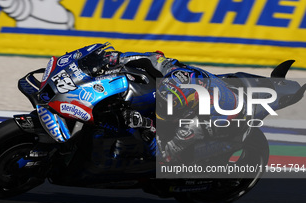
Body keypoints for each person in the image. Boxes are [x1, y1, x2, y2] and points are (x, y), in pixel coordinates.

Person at [79, 46, 245, 162]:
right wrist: (110, 59)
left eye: (168, 109)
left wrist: (146, 126)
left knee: (175, 161)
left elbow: (164, 155)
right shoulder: (170, 70)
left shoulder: (193, 125)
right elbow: (147, 57)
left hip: (223, 121)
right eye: (163, 103)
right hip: (213, 86)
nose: (162, 109)